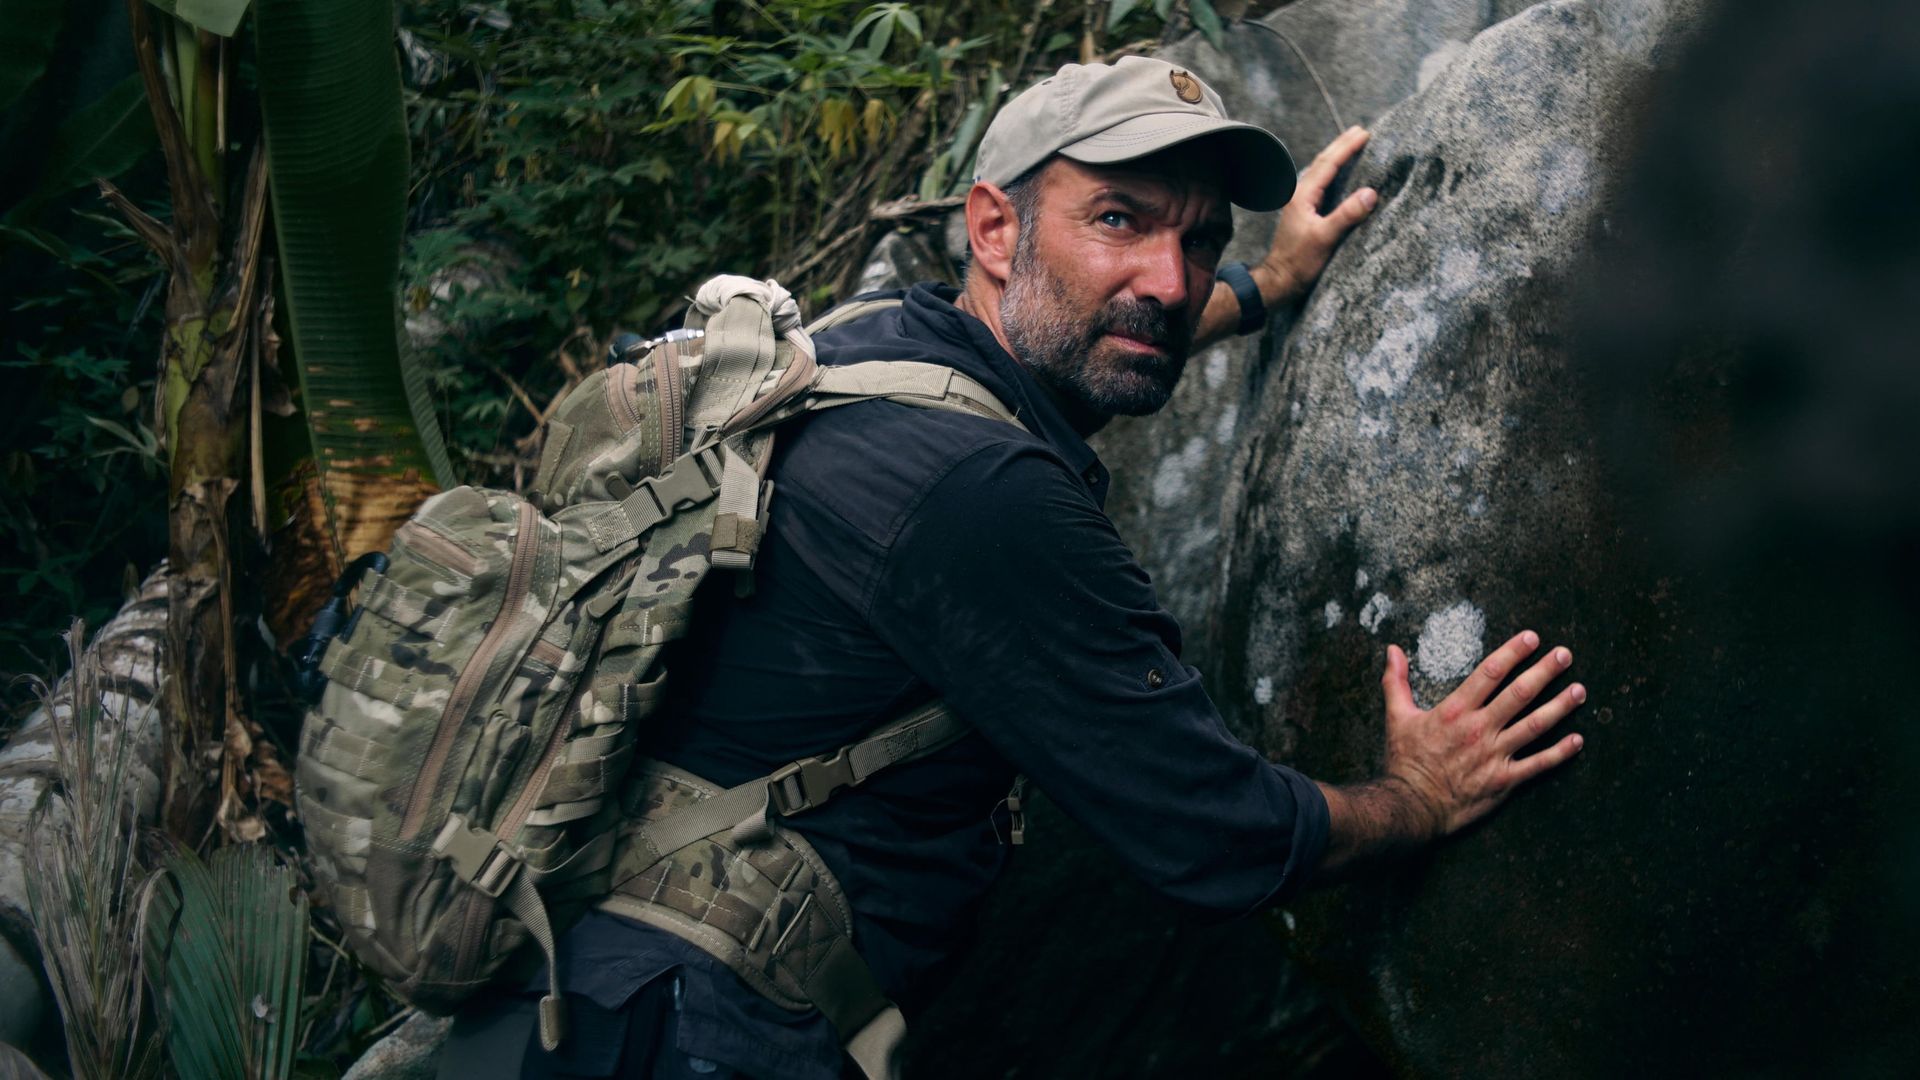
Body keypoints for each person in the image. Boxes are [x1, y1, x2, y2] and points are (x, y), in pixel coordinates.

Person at [439, 55, 1585, 1079]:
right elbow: (1214, 833)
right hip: (684, 1033)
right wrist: (1417, 797)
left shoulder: (860, 343)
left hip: (557, 984)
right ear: (994, 228)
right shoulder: (981, 498)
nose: (1172, 280)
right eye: (1120, 219)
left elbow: (1071, 349)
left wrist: (1262, 286)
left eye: (1198, 240)